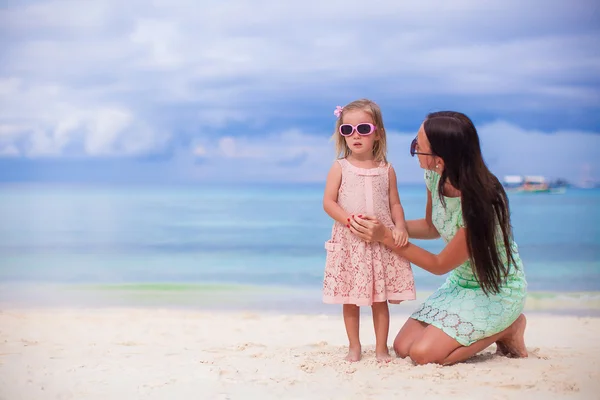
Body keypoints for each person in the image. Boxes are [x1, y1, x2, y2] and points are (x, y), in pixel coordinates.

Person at [348, 111, 528, 366]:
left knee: (423, 355)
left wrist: (386, 238)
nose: (415, 151)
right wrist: (385, 226)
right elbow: (432, 227)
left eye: (418, 148)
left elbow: (439, 264)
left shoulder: (480, 203)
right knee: (403, 347)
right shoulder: (434, 177)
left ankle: (509, 327)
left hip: (494, 289)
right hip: (460, 284)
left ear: (440, 160)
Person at [322, 99, 415, 363]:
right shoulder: (340, 167)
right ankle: (354, 346)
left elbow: (395, 203)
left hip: (378, 242)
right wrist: (348, 220)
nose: (355, 136)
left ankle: (381, 348)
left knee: (379, 298)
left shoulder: (386, 170)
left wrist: (400, 227)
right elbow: (329, 202)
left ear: (378, 134)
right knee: (349, 298)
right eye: (347, 130)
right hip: (350, 241)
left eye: (363, 128)